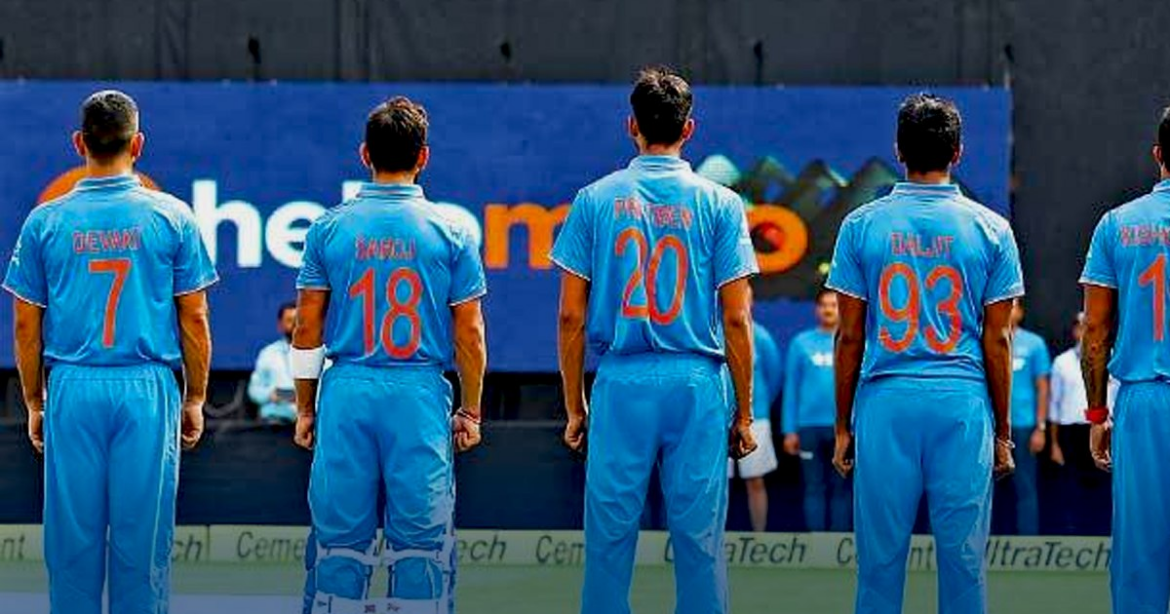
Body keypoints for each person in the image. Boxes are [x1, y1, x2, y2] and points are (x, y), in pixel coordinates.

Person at [552, 66, 758, 614]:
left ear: (631, 126)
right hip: (696, 381)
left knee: (608, 543)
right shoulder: (721, 203)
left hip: (622, 380)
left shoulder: (594, 199)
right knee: (700, 543)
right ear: (689, 129)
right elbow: (737, 319)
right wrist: (744, 414)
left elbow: (570, 316)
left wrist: (575, 406)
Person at [3, 90, 216, 614]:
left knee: (71, 547)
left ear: (79, 143)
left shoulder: (45, 222)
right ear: (138, 144)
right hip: (147, 387)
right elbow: (194, 318)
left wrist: (34, 401)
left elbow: (26, 324)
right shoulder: (172, 216)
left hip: (73, 385)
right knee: (142, 547)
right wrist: (195, 398)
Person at [291, 96, 487, 613]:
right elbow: (469, 333)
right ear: (424, 157)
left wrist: (306, 407)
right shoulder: (452, 231)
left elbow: (307, 327)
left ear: (364, 154)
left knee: (338, 547)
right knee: (421, 550)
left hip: (347, 391)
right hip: (417, 395)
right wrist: (470, 409)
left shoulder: (328, 228)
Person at [828, 93, 1022, 614]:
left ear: (898, 149)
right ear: (958, 152)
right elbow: (998, 341)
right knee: (964, 564)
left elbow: (849, 336)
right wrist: (1003, 433)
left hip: (886, 402)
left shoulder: (861, 225)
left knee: (878, 567)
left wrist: (843, 426)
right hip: (961, 403)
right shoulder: (992, 228)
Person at [1079, 105, 1170, 614]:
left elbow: (1095, 331)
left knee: (1140, 555)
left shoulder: (1117, 224)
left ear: (1158, 155)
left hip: (1145, 401)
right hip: (1146, 394)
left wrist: (1097, 414)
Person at [782, 289, 851, 532]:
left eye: (834, 305)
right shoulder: (800, 343)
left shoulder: (853, 342)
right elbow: (791, 387)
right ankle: (816, 544)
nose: (829, 309)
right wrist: (789, 430)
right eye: (824, 305)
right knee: (813, 487)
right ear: (816, 309)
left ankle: (838, 544)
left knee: (841, 488)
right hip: (808, 427)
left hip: (842, 429)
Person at [1048, 312, 1116, 535]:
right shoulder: (1062, 362)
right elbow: (1055, 403)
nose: (1085, 330)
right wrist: (1054, 443)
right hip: (1072, 432)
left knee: (1104, 483)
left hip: (1105, 429)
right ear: (1075, 330)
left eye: (1089, 325)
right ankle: (1075, 537)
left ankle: (1102, 535)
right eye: (1081, 326)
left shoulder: (1113, 359)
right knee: (1072, 484)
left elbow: (1116, 397)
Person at [728, 321, 783, 532]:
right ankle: (713, 537)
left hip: (755, 418)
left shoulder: (760, 335)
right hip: (717, 418)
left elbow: (774, 376)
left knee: (755, 480)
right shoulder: (711, 329)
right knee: (716, 484)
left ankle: (759, 537)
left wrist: (757, 406)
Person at [1002, 300, 1051, 535]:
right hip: (991, 427)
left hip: (1023, 426)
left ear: (1020, 312)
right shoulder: (985, 339)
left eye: (1012, 305)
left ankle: (1028, 544)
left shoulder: (1034, 343)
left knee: (1025, 485)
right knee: (981, 488)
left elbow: (1043, 387)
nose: (1007, 310)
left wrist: (1040, 428)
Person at [248, 301, 298, 422]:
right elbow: (254, 390)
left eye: (298, 320)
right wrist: (270, 394)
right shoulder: (268, 354)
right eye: (290, 320)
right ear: (280, 325)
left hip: (312, 421)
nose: (295, 325)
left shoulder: (320, 353)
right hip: (275, 420)